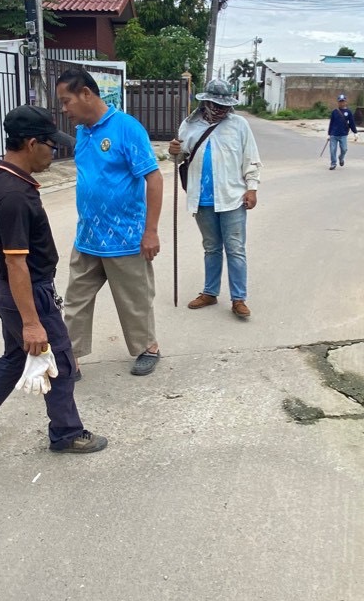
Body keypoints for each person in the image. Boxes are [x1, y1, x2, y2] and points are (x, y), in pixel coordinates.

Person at [0, 104, 107, 455]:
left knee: (16, 358)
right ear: (32, 144)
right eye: (51, 145)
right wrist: (31, 322)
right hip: (26, 291)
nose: (53, 153)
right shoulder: (14, 194)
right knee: (59, 362)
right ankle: (66, 433)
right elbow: (16, 262)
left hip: (9, 290)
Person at [55, 66, 165, 376]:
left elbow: (154, 179)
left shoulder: (126, 128)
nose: (64, 109)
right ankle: (71, 358)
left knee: (134, 299)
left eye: (66, 101)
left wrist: (151, 231)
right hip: (88, 235)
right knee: (76, 300)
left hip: (125, 237)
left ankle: (148, 347)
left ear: (86, 94)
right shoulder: (83, 131)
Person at [168, 80, 261, 319]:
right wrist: (173, 152)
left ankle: (238, 298)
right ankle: (210, 292)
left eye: (224, 105)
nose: (221, 109)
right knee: (211, 248)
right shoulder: (189, 125)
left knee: (235, 249)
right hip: (201, 199)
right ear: (206, 102)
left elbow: (251, 158)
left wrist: (252, 188)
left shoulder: (239, 125)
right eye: (216, 104)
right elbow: (179, 158)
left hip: (232, 197)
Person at [327, 94, 360, 170]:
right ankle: (333, 163)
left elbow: (352, 123)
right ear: (338, 102)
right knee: (332, 150)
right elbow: (331, 123)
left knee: (344, 149)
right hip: (334, 134)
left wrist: (355, 133)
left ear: (345, 102)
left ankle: (341, 158)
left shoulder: (348, 112)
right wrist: (329, 134)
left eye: (343, 101)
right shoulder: (334, 112)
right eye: (340, 101)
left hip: (343, 134)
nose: (341, 103)